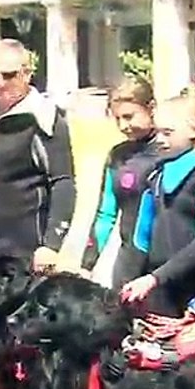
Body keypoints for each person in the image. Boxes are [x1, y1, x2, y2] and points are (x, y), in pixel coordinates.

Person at [0, 39, 76, 272]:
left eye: (8, 75)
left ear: (26, 74)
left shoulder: (45, 118)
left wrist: (51, 244)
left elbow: (63, 182)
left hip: (28, 243)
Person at [119, 89, 195, 317]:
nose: (160, 140)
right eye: (157, 132)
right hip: (157, 287)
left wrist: (156, 277)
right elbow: (141, 237)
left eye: (168, 132)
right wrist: (127, 280)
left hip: (194, 290)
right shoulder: (156, 173)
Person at [79, 75, 159, 287]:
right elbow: (106, 214)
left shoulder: (171, 152)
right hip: (129, 269)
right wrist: (87, 264)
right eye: (117, 119)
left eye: (129, 116)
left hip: (167, 268)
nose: (123, 126)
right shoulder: (118, 156)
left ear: (151, 107)